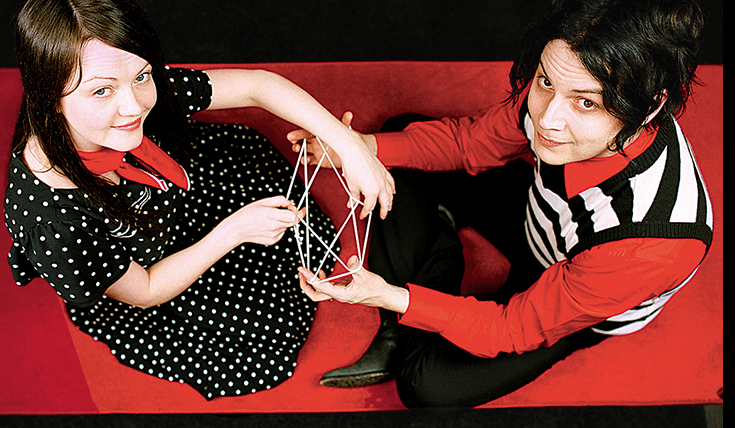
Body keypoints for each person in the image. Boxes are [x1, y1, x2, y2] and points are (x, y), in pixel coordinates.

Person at [294, 0, 712, 407]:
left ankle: (410, 300)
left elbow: (510, 329)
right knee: (392, 141)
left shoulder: (652, 243)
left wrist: (393, 297)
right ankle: (433, 263)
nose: (548, 119)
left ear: (650, 105)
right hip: (539, 217)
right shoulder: (556, 94)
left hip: (580, 297)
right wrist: (352, 148)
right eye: (546, 82)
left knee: (426, 386)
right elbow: (469, 142)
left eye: (586, 102)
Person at [4, 0, 393, 400]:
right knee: (263, 343)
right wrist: (233, 231)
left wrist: (352, 148)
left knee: (258, 176)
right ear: (49, 95)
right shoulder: (53, 225)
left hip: (177, 195)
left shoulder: (128, 88)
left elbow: (257, 85)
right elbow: (148, 290)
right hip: (149, 267)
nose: (134, 107)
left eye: (142, 76)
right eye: (102, 91)